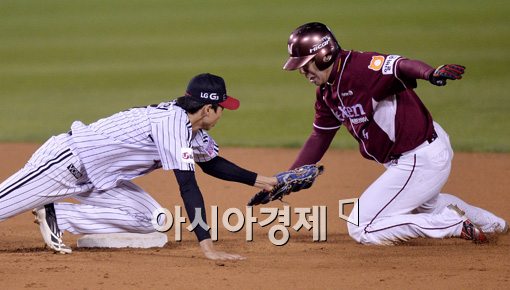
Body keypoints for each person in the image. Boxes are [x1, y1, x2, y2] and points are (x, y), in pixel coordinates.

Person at [0, 73, 277, 260]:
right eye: (222, 108)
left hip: (99, 179)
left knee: (153, 220)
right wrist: (207, 246)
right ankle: (47, 205)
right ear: (208, 109)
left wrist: (265, 181)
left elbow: (212, 163)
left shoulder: (192, 131)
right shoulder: (172, 124)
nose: (223, 113)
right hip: (65, 163)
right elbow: (188, 185)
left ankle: (57, 216)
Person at [282, 22, 507, 245]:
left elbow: (401, 66)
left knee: (361, 226)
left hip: (419, 156)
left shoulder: (361, 67)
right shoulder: (326, 93)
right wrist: (285, 178)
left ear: (324, 55)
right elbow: (319, 137)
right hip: (414, 156)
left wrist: (429, 73)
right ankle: (494, 225)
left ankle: (450, 223)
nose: (302, 71)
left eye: (306, 64)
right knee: (427, 206)